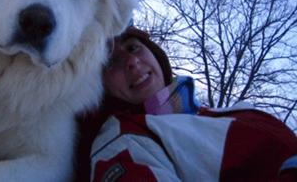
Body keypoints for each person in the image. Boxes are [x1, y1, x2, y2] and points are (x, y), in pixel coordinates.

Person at [75, 26, 297, 182]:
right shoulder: (122, 139)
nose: (132, 62)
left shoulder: (219, 112)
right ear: (100, 86)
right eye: (111, 61)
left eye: (133, 47)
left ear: (155, 55)